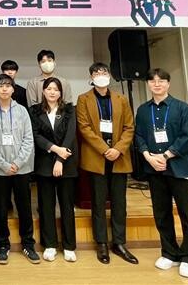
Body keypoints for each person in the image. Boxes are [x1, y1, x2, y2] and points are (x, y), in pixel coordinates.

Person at [135, 69, 188, 278]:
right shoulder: (143, 110)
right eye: (152, 81)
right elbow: (139, 135)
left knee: (187, 214)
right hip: (154, 169)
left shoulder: (182, 108)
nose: (157, 84)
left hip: (179, 168)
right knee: (161, 213)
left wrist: (165, 156)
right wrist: (148, 156)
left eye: (161, 80)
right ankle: (170, 253)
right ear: (148, 84)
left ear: (168, 84)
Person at [76, 62, 138, 265]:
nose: (100, 75)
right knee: (98, 201)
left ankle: (119, 242)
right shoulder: (83, 99)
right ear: (91, 77)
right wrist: (104, 149)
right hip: (96, 157)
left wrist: (118, 149)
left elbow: (129, 127)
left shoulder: (121, 99)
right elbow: (84, 127)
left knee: (119, 202)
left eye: (103, 72)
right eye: (96, 72)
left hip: (119, 156)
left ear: (109, 76)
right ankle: (101, 242)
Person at [0, 74, 39, 265]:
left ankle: (28, 244)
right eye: (0, 85)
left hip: (22, 168)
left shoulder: (22, 110)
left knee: (24, 208)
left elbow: (28, 139)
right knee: (1, 208)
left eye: (8, 85)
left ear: (13, 89)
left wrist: (17, 163)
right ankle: (2, 244)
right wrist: (3, 164)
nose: (4, 89)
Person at [30, 78, 78, 262]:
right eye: (49, 89)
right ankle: (49, 244)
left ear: (60, 93)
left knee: (67, 206)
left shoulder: (69, 110)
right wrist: (55, 149)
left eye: (56, 89)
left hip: (66, 162)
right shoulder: (34, 110)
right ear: (43, 91)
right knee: (46, 206)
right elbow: (36, 135)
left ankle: (69, 246)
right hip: (44, 164)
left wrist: (60, 159)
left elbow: (70, 135)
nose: (52, 92)